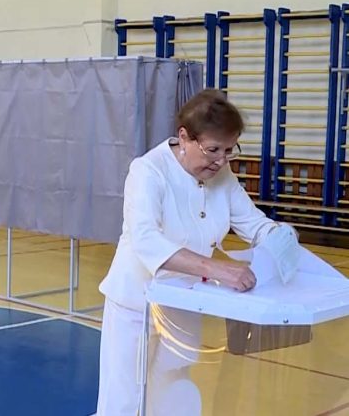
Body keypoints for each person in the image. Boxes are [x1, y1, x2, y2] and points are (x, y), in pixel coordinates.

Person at [96, 89, 286, 415]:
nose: (221, 160)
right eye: (213, 150)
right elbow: (146, 240)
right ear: (184, 137)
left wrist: (284, 241)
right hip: (136, 304)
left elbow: (255, 224)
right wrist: (219, 269)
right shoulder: (148, 171)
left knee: (174, 392)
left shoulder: (222, 175)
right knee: (124, 399)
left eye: (229, 150)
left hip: (183, 303)